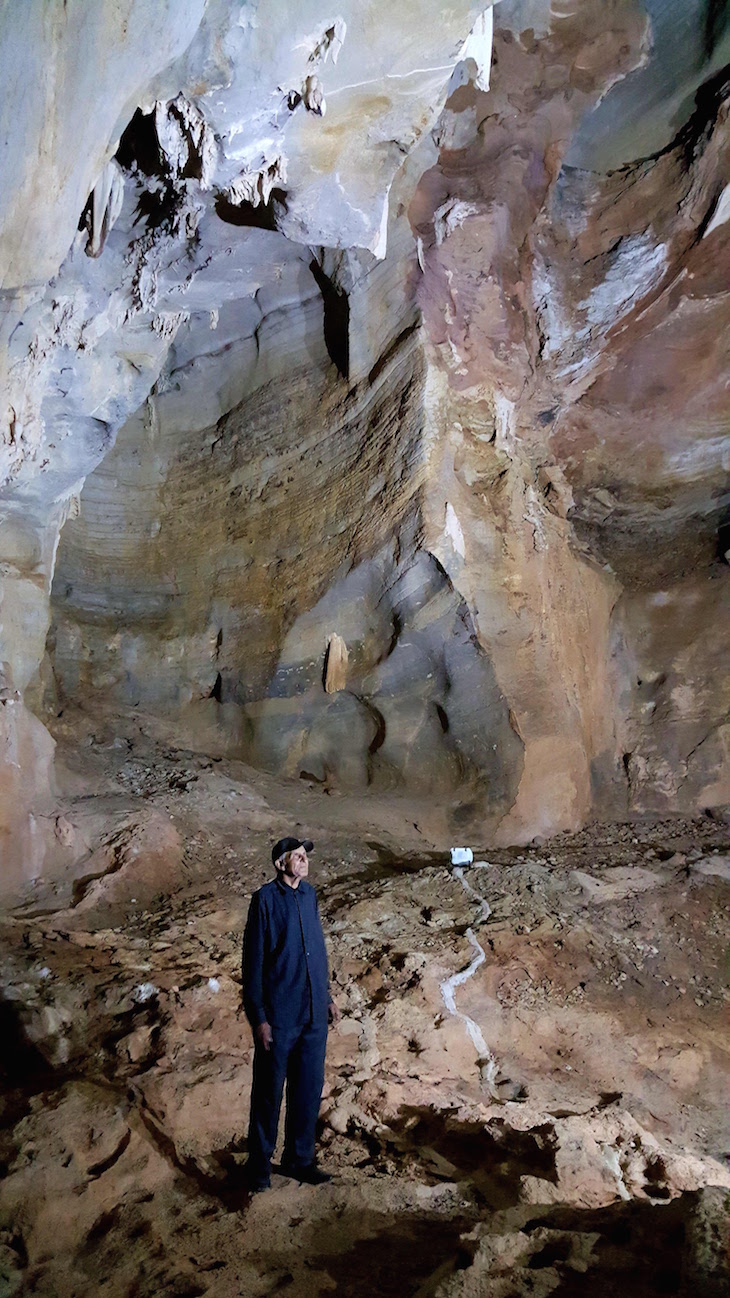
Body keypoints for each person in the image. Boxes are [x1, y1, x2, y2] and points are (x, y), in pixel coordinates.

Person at [241, 836, 340, 1191]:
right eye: (296, 856)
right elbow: (252, 964)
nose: (303, 861)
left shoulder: (309, 895)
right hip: (280, 1016)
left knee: (308, 1090)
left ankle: (299, 1160)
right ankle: (258, 1166)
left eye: (304, 856)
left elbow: (317, 949)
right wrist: (259, 1018)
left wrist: (327, 998)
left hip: (312, 1014)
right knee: (268, 1092)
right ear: (280, 863)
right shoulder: (264, 901)